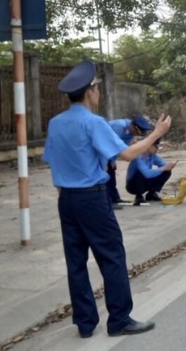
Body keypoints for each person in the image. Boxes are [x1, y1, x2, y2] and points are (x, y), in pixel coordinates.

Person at [43, 60, 172, 338]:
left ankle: (85, 323)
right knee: (111, 256)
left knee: (75, 261)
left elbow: (54, 163)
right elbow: (126, 155)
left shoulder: (55, 124)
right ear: (89, 93)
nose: (98, 93)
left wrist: (66, 195)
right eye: (97, 89)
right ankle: (119, 319)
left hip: (66, 200)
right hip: (92, 199)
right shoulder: (93, 122)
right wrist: (157, 134)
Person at [106, 115, 154, 209]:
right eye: (137, 131)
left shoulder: (130, 133)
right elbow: (109, 143)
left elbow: (121, 148)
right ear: (133, 126)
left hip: (109, 152)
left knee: (111, 173)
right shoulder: (120, 126)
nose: (136, 134)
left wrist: (113, 160)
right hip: (101, 149)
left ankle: (115, 199)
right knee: (106, 176)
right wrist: (108, 160)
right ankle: (109, 202)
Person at [126, 137, 176, 205]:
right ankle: (139, 196)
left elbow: (163, 164)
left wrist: (170, 165)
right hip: (132, 185)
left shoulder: (153, 156)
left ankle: (151, 194)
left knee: (166, 172)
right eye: (156, 146)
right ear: (149, 146)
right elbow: (147, 173)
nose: (157, 148)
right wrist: (163, 168)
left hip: (145, 181)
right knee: (141, 173)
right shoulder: (139, 156)